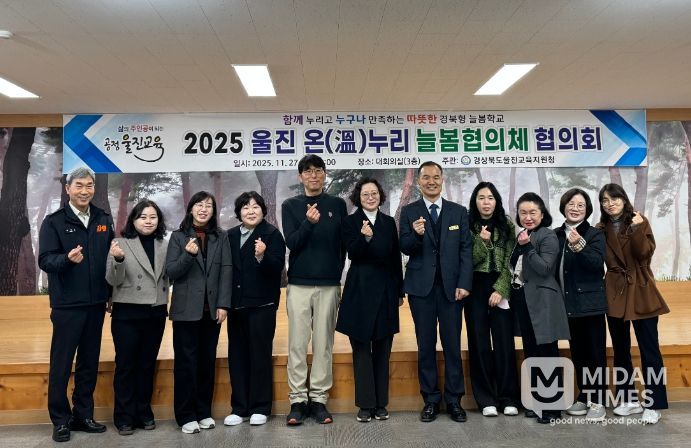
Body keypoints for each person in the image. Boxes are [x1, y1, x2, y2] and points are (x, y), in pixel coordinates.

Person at [38, 167, 114, 442]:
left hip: (96, 304)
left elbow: (109, 259)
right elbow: (45, 260)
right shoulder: (54, 222)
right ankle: (60, 420)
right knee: (61, 363)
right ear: (68, 188)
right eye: (79, 185)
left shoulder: (103, 218)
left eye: (89, 185)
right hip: (67, 305)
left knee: (88, 363)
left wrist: (110, 294)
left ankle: (83, 415)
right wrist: (66, 260)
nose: (84, 191)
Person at [399, 161, 473, 423]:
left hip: (452, 291)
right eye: (426, 177)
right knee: (426, 345)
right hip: (422, 290)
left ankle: (454, 400)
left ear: (442, 180)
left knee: (452, 345)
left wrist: (464, 283)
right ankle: (430, 400)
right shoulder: (409, 211)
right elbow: (404, 246)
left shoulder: (458, 212)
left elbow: (466, 249)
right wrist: (416, 235)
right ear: (418, 182)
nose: (431, 181)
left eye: (436, 177)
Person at [281, 154, 347, 425]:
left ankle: (319, 400)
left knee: (323, 344)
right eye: (308, 171)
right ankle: (297, 400)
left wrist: (335, 272)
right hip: (299, 284)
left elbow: (342, 244)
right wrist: (309, 222)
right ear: (300, 177)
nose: (314, 175)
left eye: (318, 170)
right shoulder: (290, 205)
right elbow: (292, 243)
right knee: (297, 344)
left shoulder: (337, 204)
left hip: (329, 285)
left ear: (324, 174)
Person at [598, 183, 669, 424]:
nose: (610, 204)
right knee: (620, 349)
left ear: (624, 199)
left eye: (614, 198)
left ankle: (654, 403)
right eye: (605, 200)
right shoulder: (600, 229)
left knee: (650, 349)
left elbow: (644, 253)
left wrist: (637, 229)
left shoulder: (639, 221)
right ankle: (628, 399)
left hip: (640, 288)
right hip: (614, 291)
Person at [336, 178, 404, 422]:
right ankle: (365, 405)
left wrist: (399, 291)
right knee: (362, 349)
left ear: (380, 196)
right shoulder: (350, 222)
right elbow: (352, 253)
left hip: (386, 289)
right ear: (358, 197)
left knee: (383, 348)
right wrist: (364, 238)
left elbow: (395, 257)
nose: (371, 197)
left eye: (374, 193)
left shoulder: (388, 222)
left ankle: (381, 404)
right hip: (360, 290)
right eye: (365, 194)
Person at [165, 191, 232, 434]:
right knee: (186, 364)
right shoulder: (178, 236)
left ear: (213, 211)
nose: (203, 209)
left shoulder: (220, 237)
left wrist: (223, 304)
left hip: (211, 311)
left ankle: (203, 412)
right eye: (199, 205)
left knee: (206, 363)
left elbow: (226, 270)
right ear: (191, 208)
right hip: (185, 311)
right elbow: (171, 271)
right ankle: (185, 415)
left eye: (208, 206)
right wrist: (188, 255)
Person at [105, 199, 169, 435]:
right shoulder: (120, 243)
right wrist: (118, 260)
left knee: (147, 364)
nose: (148, 221)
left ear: (159, 220)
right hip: (127, 312)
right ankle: (124, 416)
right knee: (126, 365)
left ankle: (143, 411)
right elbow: (113, 280)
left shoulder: (165, 244)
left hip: (156, 310)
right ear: (133, 220)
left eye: (153, 217)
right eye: (143, 217)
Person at [224, 192, 285, 427]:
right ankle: (239, 408)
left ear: (263, 210)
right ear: (239, 212)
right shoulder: (229, 235)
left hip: (262, 304)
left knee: (260, 355)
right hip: (236, 305)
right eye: (246, 207)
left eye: (255, 207)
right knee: (237, 356)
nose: (251, 211)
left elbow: (278, 269)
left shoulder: (272, 234)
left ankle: (260, 407)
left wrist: (262, 256)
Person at [510, 192, 570, 424]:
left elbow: (544, 268)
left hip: (544, 301)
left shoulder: (548, 235)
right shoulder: (522, 235)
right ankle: (538, 403)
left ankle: (553, 407)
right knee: (531, 352)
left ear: (542, 214)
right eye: (523, 213)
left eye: (532, 212)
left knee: (547, 353)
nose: (527, 217)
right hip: (524, 301)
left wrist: (526, 247)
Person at [465, 182, 520, 418]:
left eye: (490, 198)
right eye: (481, 198)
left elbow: (511, 259)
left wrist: (501, 289)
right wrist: (482, 242)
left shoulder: (507, 224)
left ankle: (508, 398)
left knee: (504, 342)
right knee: (479, 342)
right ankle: (485, 399)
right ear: (474, 201)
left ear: (496, 201)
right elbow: (468, 260)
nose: (486, 202)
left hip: (500, 285)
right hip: (475, 286)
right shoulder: (467, 225)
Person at [555, 189, 608, 422]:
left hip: (590, 304)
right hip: (568, 305)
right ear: (563, 206)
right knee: (578, 353)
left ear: (587, 210)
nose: (575, 208)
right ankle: (585, 395)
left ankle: (599, 400)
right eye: (571, 203)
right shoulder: (556, 234)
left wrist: (579, 245)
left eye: (580, 205)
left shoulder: (594, 234)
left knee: (595, 354)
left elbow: (596, 264)